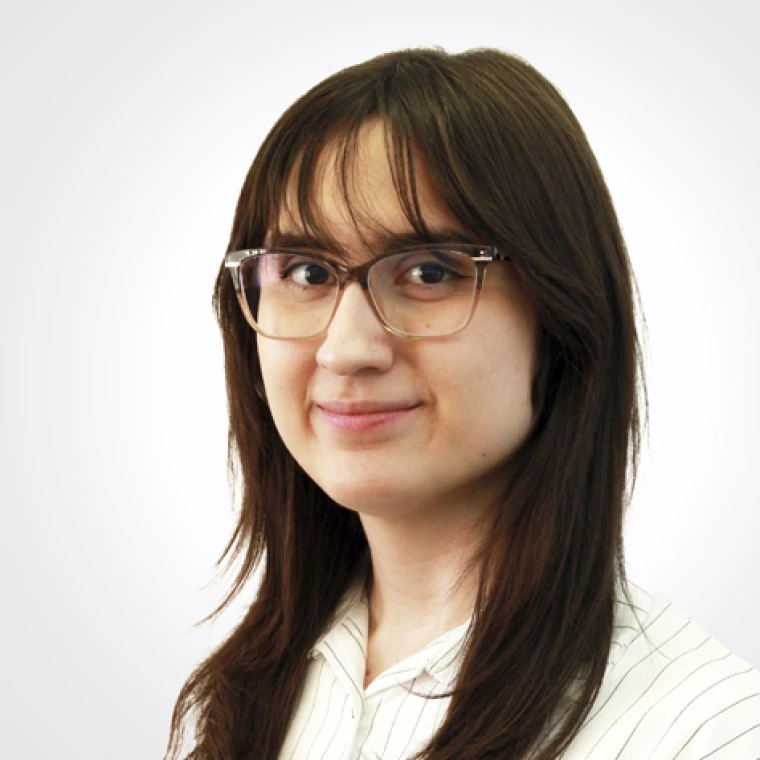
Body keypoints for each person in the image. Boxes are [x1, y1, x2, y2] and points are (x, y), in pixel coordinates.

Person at [164, 47, 760, 760]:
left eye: (427, 271)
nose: (346, 348)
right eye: (306, 271)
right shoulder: (239, 699)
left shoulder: (707, 733)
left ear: (562, 320)